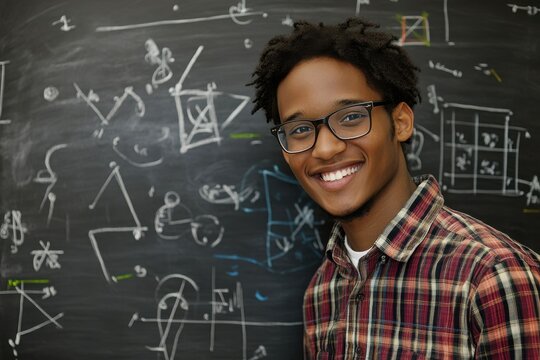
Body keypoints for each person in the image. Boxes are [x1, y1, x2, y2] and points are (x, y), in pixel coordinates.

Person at [248, 18, 540, 359]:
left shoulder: (494, 276)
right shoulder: (322, 289)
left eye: (351, 117)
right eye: (299, 129)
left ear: (400, 122)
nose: (325, 149)